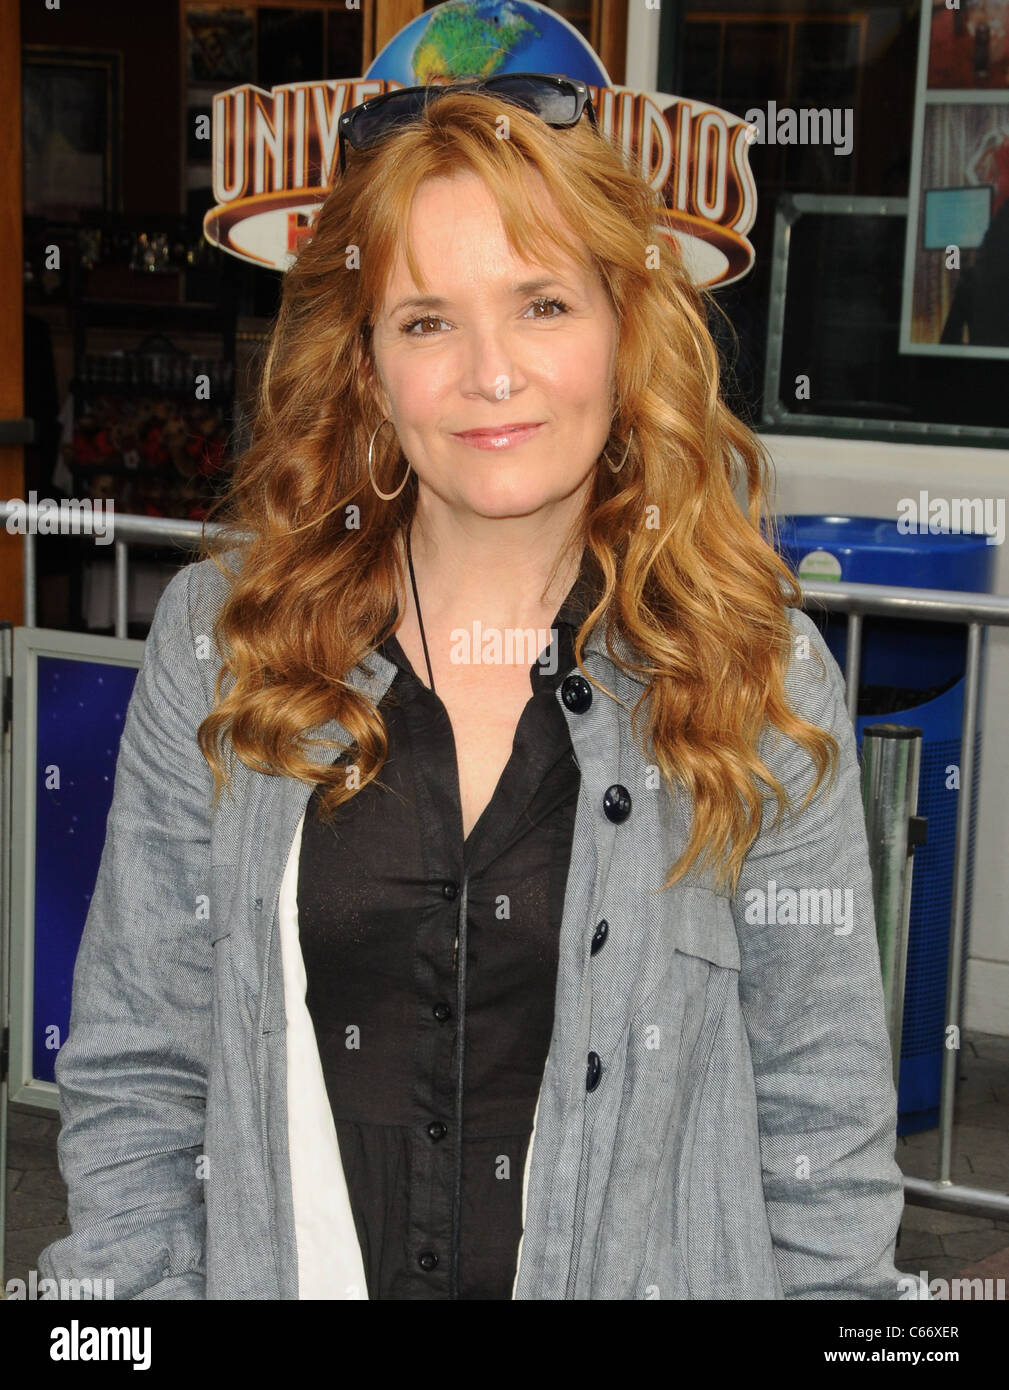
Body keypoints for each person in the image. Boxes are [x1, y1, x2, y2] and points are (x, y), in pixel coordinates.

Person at [39, 75, 913, 1300]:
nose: (489, 375)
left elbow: (819, 1132)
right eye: (428, 321)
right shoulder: (226, 643)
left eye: (542, 303)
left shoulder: (753, 670)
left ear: (624, 323)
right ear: (367, 364)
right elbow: (140, 1071)